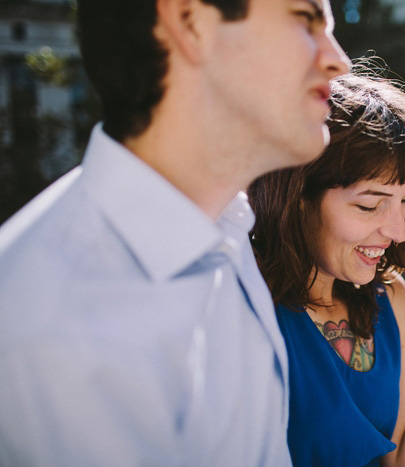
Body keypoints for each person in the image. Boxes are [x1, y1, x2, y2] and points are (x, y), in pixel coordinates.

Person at [0, 0, 352, 465]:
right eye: (305, 19)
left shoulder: (224, 226)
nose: (339, 60)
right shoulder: (56, 332)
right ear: (190, 22)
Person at [249, 72, 405, 466]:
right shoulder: (248, 301)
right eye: (369, 205)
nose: (398, 231)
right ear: (298, 198)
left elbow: (403, 461)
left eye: (402, 201)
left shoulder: (388, 295)